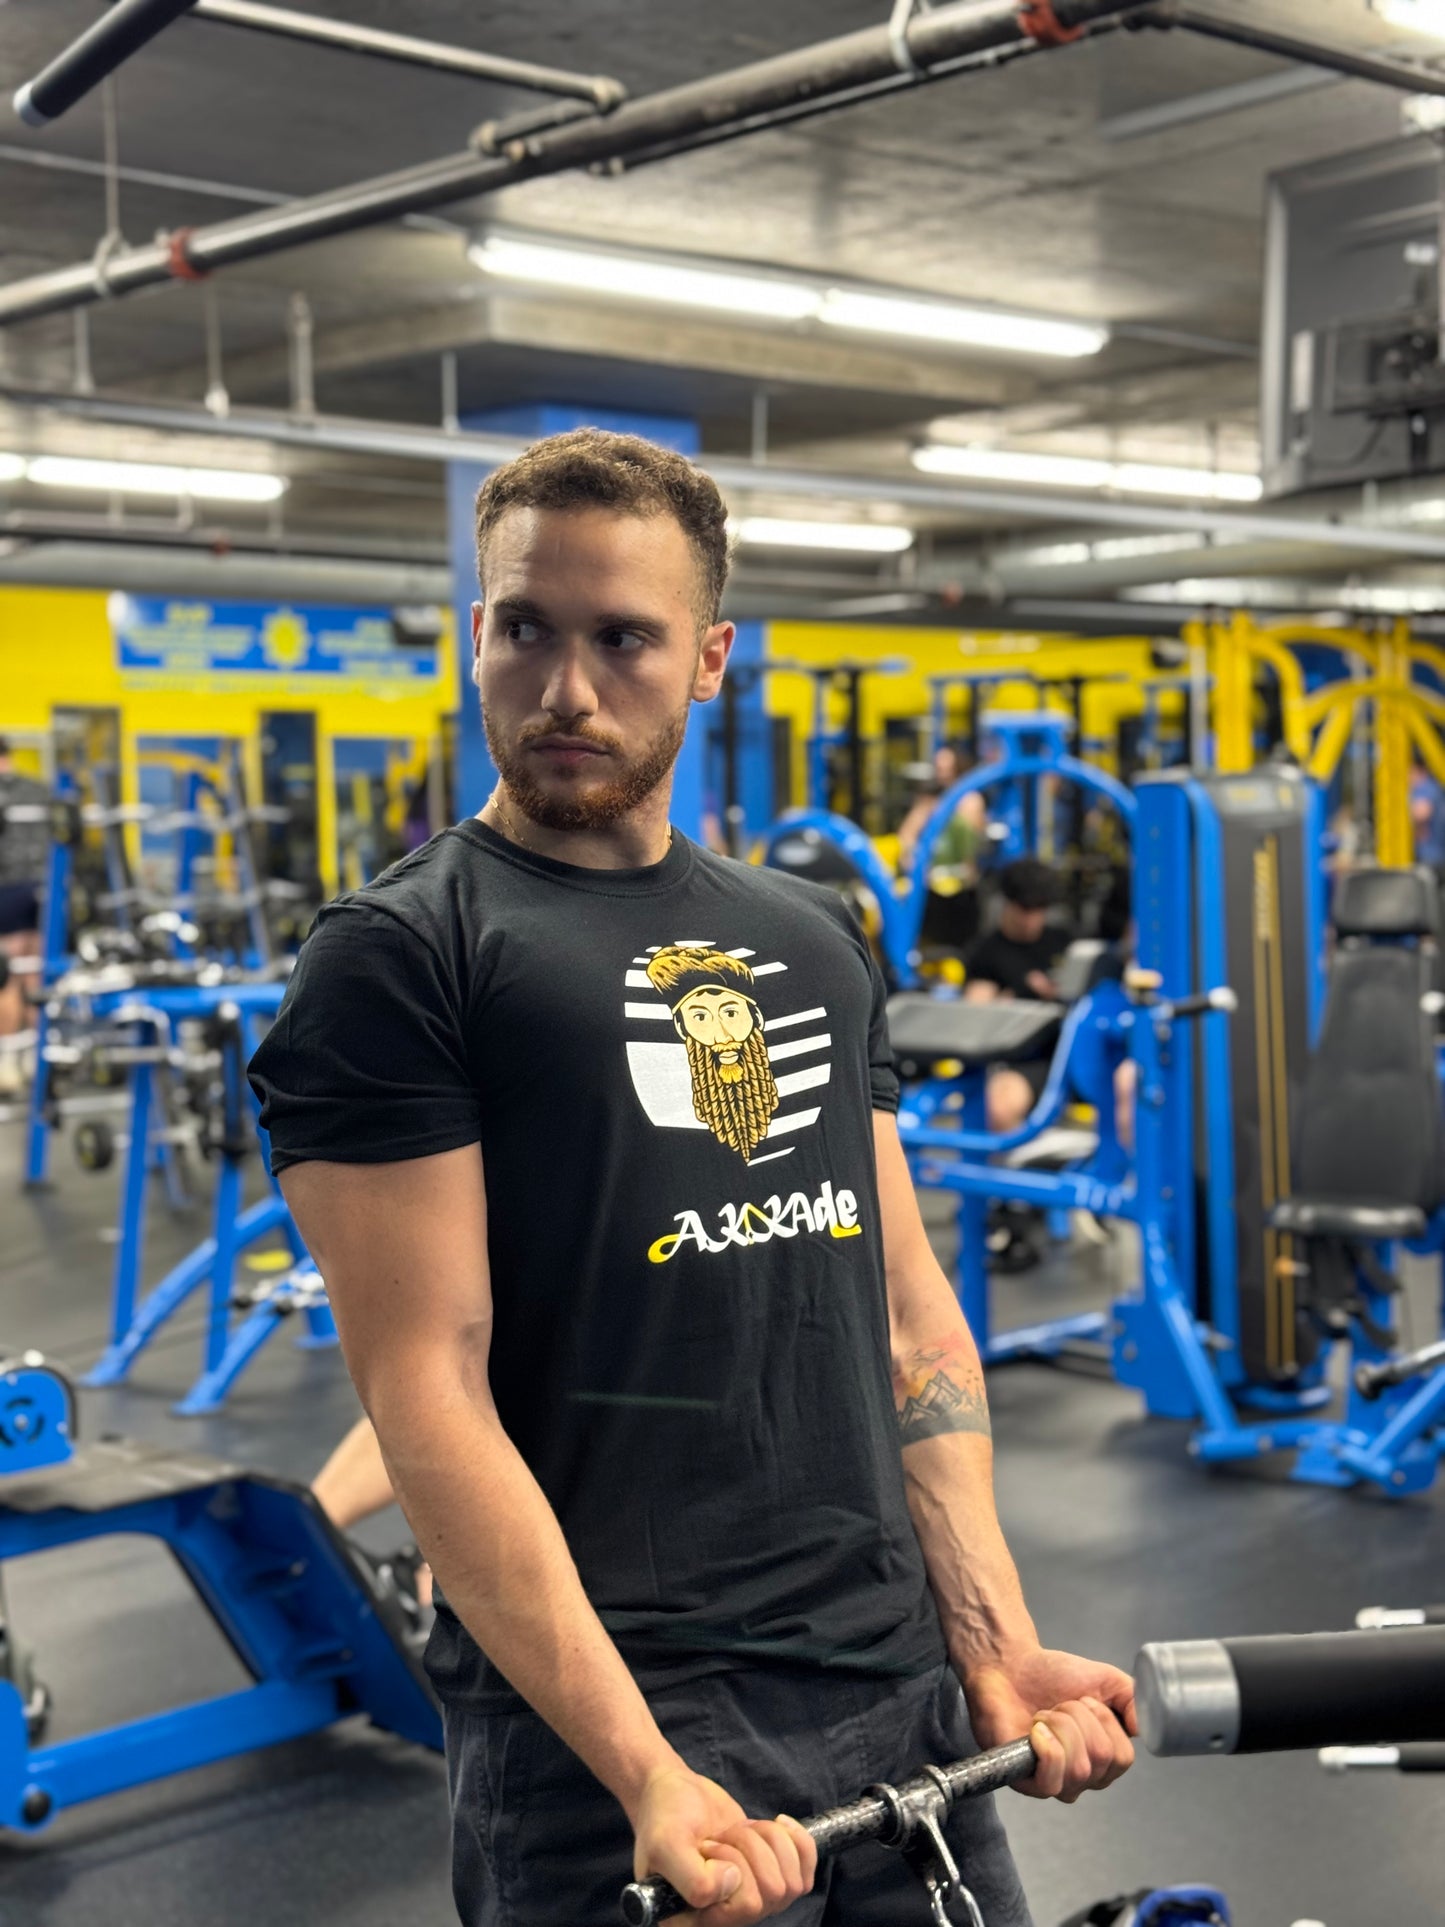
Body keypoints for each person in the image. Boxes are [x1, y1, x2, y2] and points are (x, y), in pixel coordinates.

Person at [249, 429, 1133, 1927]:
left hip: (895, 1677)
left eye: (623, 639)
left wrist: (990, 1638)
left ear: (710, 656)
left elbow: (908, 1319)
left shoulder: (811, 934)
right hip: (616, 1724)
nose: (568, 688)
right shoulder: (404, 956)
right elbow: (427, 1388)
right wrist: (640, 1761)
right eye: (527, 627)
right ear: (479, 632)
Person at [964, 858, 1071, 1133]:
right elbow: (975, 1011)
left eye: (1039, 910)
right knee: (1002, 1105)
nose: (1032, 919)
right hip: (1027, 1061)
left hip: (1071, 1051)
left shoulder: (1064, 941)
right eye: (1025, 910)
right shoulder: (986, 952)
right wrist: (1000, 1010)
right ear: (1007, 903)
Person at [0, 738, 48, 1094]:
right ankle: (36, 1059)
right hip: (44, 891)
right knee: (34, 976)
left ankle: (7, 1065)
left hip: (8, 890)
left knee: (8, 976)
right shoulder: (38, 789)